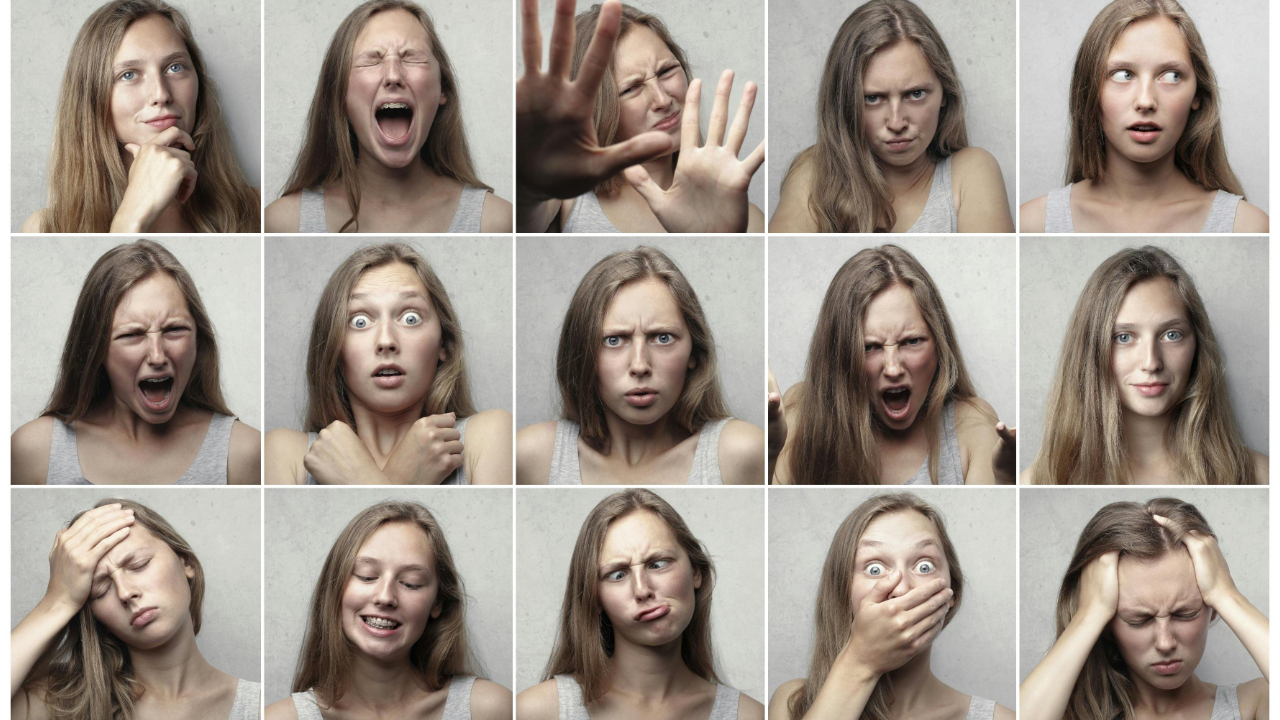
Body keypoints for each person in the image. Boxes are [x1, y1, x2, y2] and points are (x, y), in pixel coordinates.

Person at [10, 240, 261, 485]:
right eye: (132, 335)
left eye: (174, 329)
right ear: (95, 350)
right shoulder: (36, 450)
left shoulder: (242, 452)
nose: (157, 356)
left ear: (199, 339)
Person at [266, 243, 512, 484]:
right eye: (359, 322)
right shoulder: (286, 455)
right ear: (333, 349)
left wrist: (360, 480)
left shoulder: (488, 436)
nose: (386, 341)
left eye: (410, 318)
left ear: (444, 345)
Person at [517, 246, 763, 484]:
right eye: (613, 340)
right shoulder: (533, 456)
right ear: (582, 354)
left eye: (662, 338)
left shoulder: (738, 453)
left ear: (694, 353)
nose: (639, 365)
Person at [769, 245, 1013, 485]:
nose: (893, 369)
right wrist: (771, 453)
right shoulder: (804, 412)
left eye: (912, 341)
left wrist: (1005, 480)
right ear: (838, 356)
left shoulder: (972, 426)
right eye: (869, 347)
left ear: (939, 346)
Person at [516, 0, 765, 233]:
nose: (662, 100)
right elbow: (525, 221)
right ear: (595, 110)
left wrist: (718, 238)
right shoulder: (569, 196)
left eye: (666, 71)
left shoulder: (749, 220)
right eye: (632, 88)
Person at [1024, 246, 1267, 484]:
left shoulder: (1261, 475)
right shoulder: (1042, 479)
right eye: (1124, 337)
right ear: (1090, 351)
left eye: (1172, 335)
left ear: (1197, 345)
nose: (1151, 363)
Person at [1020, 0, 1268, 233]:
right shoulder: (1032, 223)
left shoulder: (1248, 226)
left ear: (1198, 95)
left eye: (1171, 75)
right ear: (1090, 91)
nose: (1146, 101)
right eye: (1123, 75)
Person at [265, 0, 512, 233]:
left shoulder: (497, 221)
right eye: (372, 60)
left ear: (442, 89)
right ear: (339, 94)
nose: (393, 75)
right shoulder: (282, 222)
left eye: (411, 56)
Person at [517, 489, 764, 720]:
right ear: (595, 599)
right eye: (617, 574)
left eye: (657, 564)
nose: (642, 590)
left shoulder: (749, 715)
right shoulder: (538, 711)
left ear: (696, 571)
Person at [769, 0, 1012, 233]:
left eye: (916, 94)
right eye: (872, 98)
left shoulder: (969, 172)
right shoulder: (815, 173)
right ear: (845, 103)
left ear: (945, 94)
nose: (896, 123)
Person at [22, 0, 259, 234]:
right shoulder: (46, 228)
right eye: (128, 74)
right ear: (91, 97)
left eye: (175, 67)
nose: (161, 94)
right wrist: (130, 218)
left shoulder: (256, 211)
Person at [1020, 497, 1268, 720]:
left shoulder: (1255, 704)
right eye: (1139, 620)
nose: (1165, 643)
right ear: (1107, 626)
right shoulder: (1066, 712)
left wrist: (1225, 595)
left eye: (1185, 614)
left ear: (1212, 609)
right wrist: (1090, 614)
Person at [11, 499, 260, 720]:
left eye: (138, 564)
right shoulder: (61, 705)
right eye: (101, 589)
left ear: (186, 563)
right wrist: (57, 601)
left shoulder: (259, 708)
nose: (125, 592)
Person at [770, 493, 1013, 720]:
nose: (901, 588)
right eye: (874, 569)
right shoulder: (793, 703)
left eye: (924, 566)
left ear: (951, 595)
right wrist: (860, 662)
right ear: (843, 591)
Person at [265, 501, 511, 720]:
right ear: (334, 590)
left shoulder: (490, 709)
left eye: (411, 583)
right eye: (367, 576)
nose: (385, 597)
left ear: (438, 603)